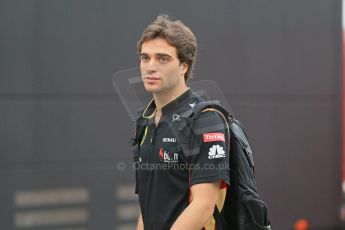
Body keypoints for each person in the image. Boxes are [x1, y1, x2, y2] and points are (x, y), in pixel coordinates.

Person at [132, 14, 230, 230]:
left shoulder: (205, 119)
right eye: (145, 58)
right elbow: (147, 205)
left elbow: (204, 206)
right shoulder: (145, 120)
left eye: (162, 58)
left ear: (184, 66)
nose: (150, 66)